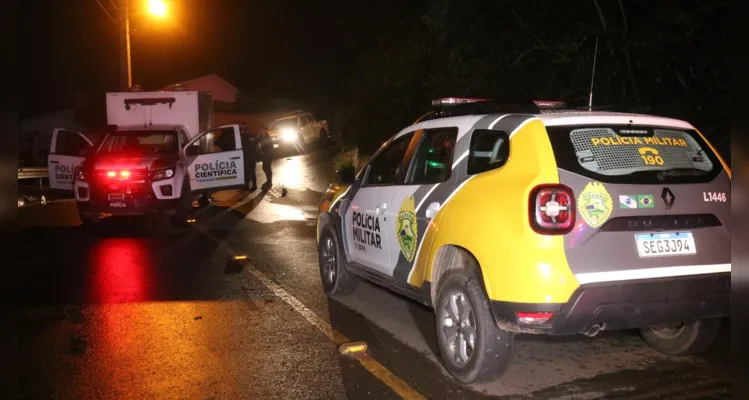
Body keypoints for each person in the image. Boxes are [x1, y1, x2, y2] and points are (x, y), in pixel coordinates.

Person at [240, 123, 259, 191]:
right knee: (246, 171)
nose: (241, 126)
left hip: (250, 156)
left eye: (242, 125)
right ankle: (247, 185)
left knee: (251, 171)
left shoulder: (249, 134)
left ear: (246, 126)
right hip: (246, 156)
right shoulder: (243, 133)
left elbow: (253, 145)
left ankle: (254, 185)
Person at [257, 125, 274, 190]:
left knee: (268, 168)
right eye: (260, 130)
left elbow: (269, 145)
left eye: (262, 130)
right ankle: (268, 180)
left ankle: (269, 182)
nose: (260, 131)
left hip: (268, 154)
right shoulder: (260, 136)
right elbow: (257, 141)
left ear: (265, 130)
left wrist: (264, 150)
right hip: (264, 155)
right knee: (264, 168)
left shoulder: (267, 136)